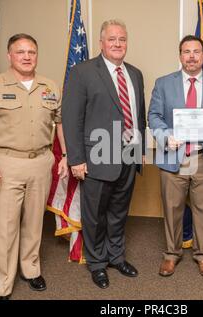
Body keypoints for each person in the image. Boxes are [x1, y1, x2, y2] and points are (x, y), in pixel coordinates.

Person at [0, 33, 68, 299]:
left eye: (31, 52)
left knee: (34, 223)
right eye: (20, 52)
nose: (26, 56)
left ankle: (31, 270)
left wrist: (65, 155)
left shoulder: (50, 85)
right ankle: (0, 283)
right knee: (4, 226)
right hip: (6, 163)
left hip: (41, 163)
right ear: (10, 55)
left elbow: (60, 123)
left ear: (37, 55)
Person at [62, 20, 146, 289]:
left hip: (128, 155)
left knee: (119, 212)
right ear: (101, 43)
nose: (117, 44)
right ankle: (97, 262)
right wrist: (76, 158)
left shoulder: (135, 73)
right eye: (112, 39)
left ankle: (116, 256)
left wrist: (139, 148)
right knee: (95, 214)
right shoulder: (82, 72)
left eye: (122, 39)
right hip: (97, 155)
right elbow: (71, 118)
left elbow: (137, 115)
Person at [148, 35, 203, 278]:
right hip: (174, 155)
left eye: (196, 52)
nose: (192, 56)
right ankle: (171, 254)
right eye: (187, 52)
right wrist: (165, 136)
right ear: (180, 56)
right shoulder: (163, 83)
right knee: (172, 208)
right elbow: (154, 116)